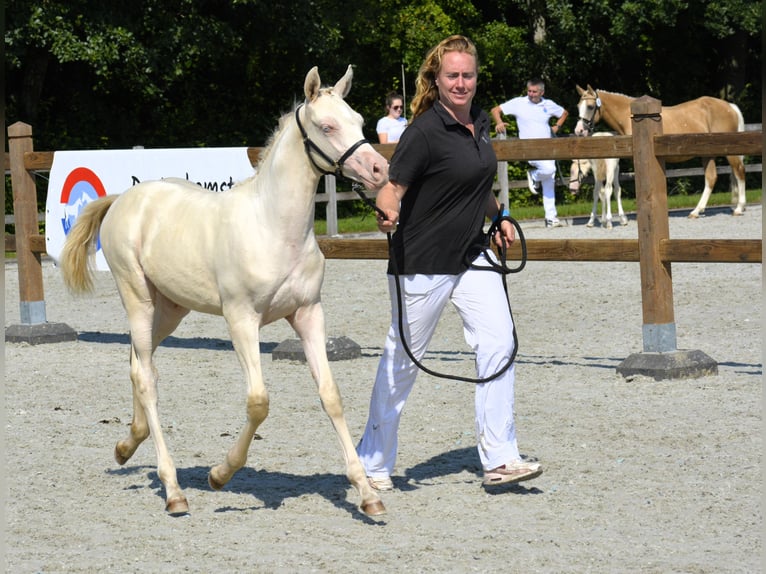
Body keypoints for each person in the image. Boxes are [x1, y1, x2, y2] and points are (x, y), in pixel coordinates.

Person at [357, 35, 542, 491]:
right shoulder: (422, 132)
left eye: (468, 75)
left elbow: (478, 184)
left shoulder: (478, 122)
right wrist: (387, 210)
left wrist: (498, 216)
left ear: (476, 78)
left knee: (499, 342)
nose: (461, 83)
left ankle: (500, 458)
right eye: (452, 76)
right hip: (422, 261)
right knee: (403, 359)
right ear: (436, 81)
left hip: (471, 255)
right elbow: (392, 188)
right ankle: (371, 461)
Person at [491, 79, 569, 228]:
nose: (531, 94)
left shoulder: (548, 104)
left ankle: (551, 218)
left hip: (547, 147)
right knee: (549, 170)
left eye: (534, 92)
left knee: (549, 180)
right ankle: (533, 175)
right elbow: (496, 110)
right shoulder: (519, 103)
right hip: (528, 148)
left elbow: (564, 113)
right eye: (529, 91)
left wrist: (557, 126)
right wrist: (499, 122)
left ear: (542, 92)